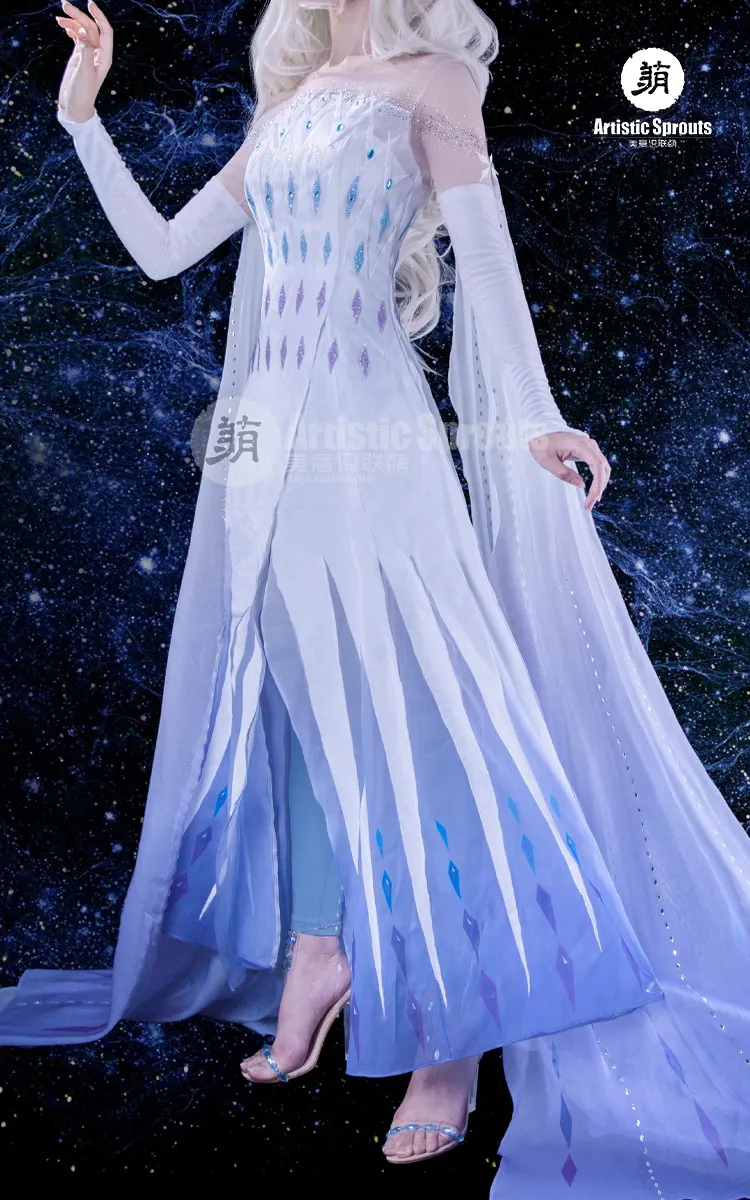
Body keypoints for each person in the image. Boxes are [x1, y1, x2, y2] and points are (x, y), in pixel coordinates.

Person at [2, 0, 749, 1194]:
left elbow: (486, 267)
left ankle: (449, 1045)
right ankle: (320, 947)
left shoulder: (435, 79)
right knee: (301, 700)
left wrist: (536, 416)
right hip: (261, 448)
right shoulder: (294, 101)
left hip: (373, 435)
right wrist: (82, 119)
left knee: (427, 714)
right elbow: (163, 250)